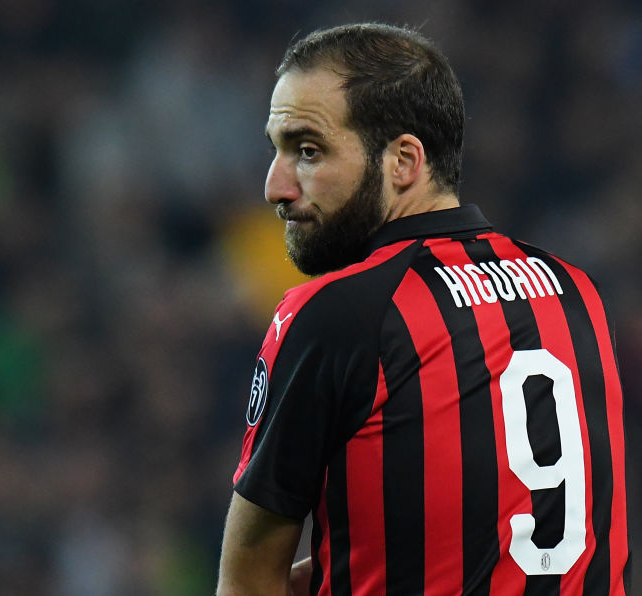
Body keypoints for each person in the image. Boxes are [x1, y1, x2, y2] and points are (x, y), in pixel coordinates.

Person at [216, 23, 631, 596]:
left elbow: (246, 581)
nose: (276, 186)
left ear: (403, 161)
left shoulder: (336, 316)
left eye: (307, 151)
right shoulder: (577, 293)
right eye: (277, 150)